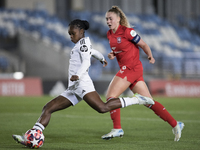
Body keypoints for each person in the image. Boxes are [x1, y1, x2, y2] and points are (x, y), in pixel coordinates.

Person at [12, 19, 155, 147]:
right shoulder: (83, 44)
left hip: (81, 83)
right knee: (48, 107)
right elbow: (91, 52)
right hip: (73, 87)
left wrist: (78, 74)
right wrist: (101, 58)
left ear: (81, 31)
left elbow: (86, 61)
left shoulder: (83, 43)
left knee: (102, 108)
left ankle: (137, 99)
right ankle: (30, 137)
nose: (70, 36)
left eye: (73, 33)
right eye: (69, 34)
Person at [101, 6, 184, 142]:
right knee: (149, 101)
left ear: (118, 19)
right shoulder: (109, 34)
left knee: (111, 96)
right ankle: (176, 124)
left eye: (111, 18)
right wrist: (113, 54)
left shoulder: (128, 32)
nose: (108, 21)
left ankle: (117, 128)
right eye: (106, 19)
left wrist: (150, 56)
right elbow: (121, 49)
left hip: (132, 68)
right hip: (131, 70)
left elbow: (144, 45)